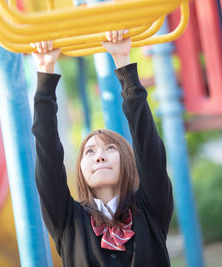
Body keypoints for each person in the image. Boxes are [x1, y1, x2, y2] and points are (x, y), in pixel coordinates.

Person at [31, 30, 174, 267]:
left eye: (109, 149)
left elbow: (149, 148)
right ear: (81, 170)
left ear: (127, 161)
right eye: (90, 152)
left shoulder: (150, 209)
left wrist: (123, 62)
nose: (99, 157)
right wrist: (46, 73)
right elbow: (47, 154)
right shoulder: (68, 220)